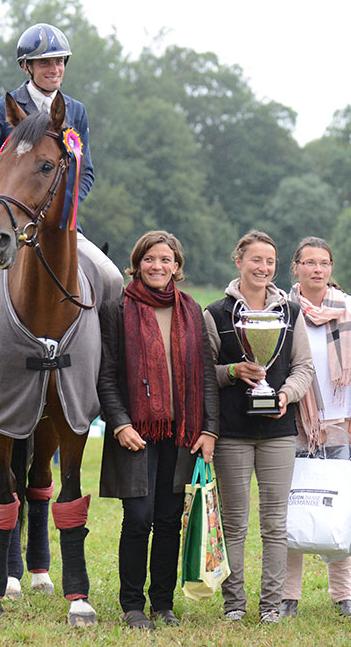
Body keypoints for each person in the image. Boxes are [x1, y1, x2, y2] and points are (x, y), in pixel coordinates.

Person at [0, 22, 122, 352]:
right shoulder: (4, 107)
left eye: (60, 61)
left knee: (112, 280)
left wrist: (64, 212)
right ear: (27, 67)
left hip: (60, 225)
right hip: (9, 221)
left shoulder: (75, 111)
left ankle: (108, 370)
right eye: (45, 63)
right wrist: (13, 159)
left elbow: (86, 172)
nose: (54, 69)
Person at [97, 230, 219, 631]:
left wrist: (209, 431)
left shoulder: (191, 310)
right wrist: (119, 424)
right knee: (138, 517)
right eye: (150, 259)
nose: (157, 266)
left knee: (168, 519)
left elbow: (204, 376)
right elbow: (106, 374)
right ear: (137, 263)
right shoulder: (118, 308)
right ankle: (132, 605)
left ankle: (162, 603)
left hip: (181, 433)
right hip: (135, 431)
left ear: (177, 267)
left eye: (166, 259)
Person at [204, 230, 314, 624]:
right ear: (239, 261)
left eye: (269, 262)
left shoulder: (292, 313)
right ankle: (234, 604)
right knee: (234, 523)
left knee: (274, 523)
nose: (263, 268)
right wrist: (233, 371)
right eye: (255, 260)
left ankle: (271, 606)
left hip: (279, 432)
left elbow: (304, 367)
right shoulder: (216, 313)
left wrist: (285, 395)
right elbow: (204, 372)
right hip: (232, 433)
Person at [280, 237, 351, 620]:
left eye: (325, 262)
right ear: (296, 267)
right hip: (296, 424)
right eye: (310, 262)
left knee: (341, 510)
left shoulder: (349, 307)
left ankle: (343, 596)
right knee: (292, 510)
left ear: (331, 268)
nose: (318, 269)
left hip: (341, 422)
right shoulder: (283, 307)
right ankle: (288, 596)